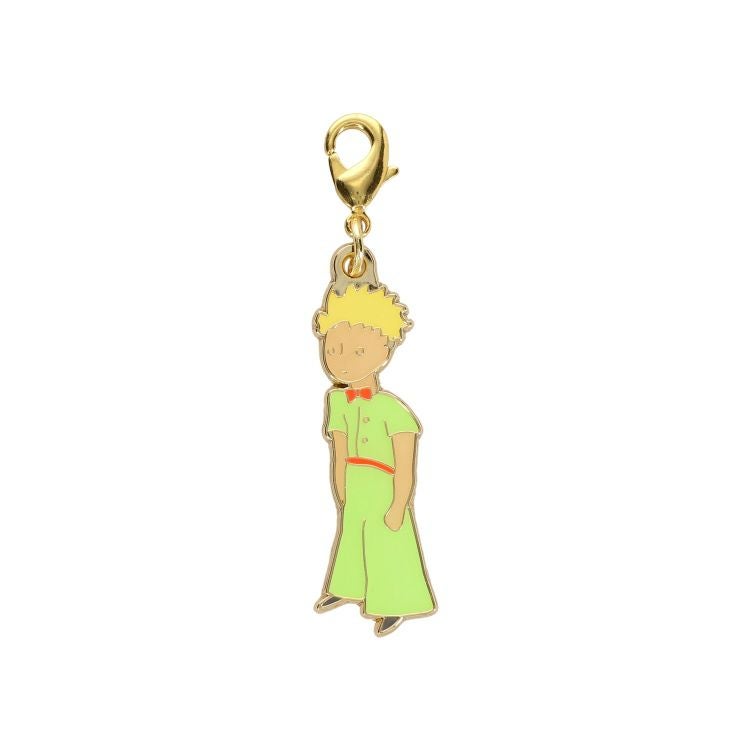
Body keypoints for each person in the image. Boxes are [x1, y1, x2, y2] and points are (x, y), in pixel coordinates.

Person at [312, 282, 436, 637]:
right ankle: (346, 587)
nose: (342, 361)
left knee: (388, 542)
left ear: (385, 348)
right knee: (351, 537)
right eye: (333, 349)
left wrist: (399, 503)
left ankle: (394, 603)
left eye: (357, 351)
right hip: (354, 482)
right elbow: (338, 450)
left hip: (384, 486)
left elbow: (405, 464)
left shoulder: (394, 411)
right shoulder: (337, 401)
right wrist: (340, 488)